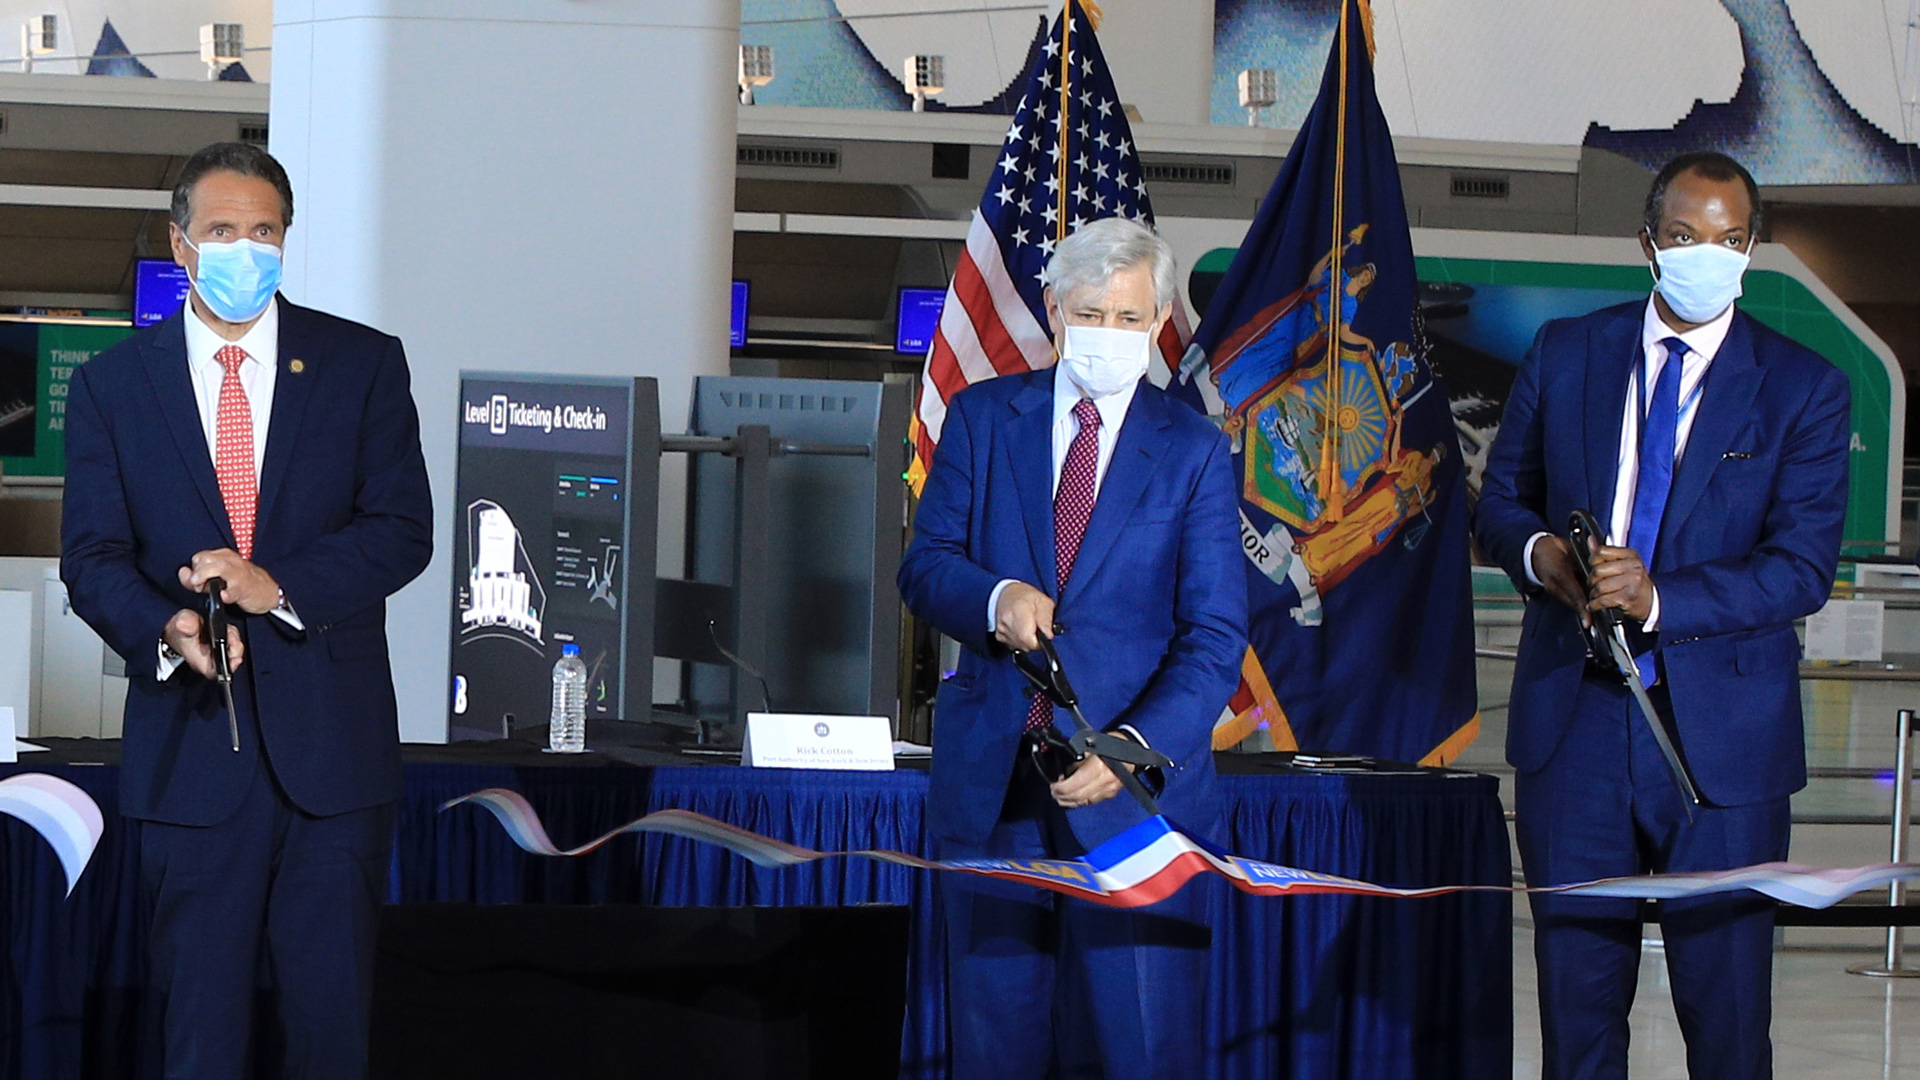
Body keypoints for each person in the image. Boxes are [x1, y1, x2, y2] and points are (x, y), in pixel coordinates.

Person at [1475, 151, 1850, 1080]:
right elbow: (1500, 505)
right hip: (1576, 728)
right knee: (1577, 1017)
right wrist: (1542, 558)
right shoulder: (1569, 353)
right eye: (1685, 236)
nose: (1704, 255)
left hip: (1721, 747)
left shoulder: (1803, 385)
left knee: (1725, 1025)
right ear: (1649, 244)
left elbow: (1800, 571)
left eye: (1728, 239)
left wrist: (1660, 598)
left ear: (1751, 250)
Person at [61, 142, 433, 1079]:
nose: (245, 249)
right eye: (223, 230)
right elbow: (92, 557)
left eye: (263, 231)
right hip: (190, 763)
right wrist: (164, 627)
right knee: (198, 1041)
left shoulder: (362, 366)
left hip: (334, 770)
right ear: (181, 244)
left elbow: (403, 529)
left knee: (329, 1038)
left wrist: (282, 587)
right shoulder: (114, 386)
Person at [897, 216, 1246, 1079]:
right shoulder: (983, 419)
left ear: (1160, 321)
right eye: (1094, 313)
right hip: (995, 794)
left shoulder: (1195, 450)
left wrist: (1131, 750)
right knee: (993, 1053)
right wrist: (996, 596)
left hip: (1136, 806)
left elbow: (1213, 637)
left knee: (1140, 1051)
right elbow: (925, 567)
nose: (1113, 335)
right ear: (1055, 312)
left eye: (1132, 319)